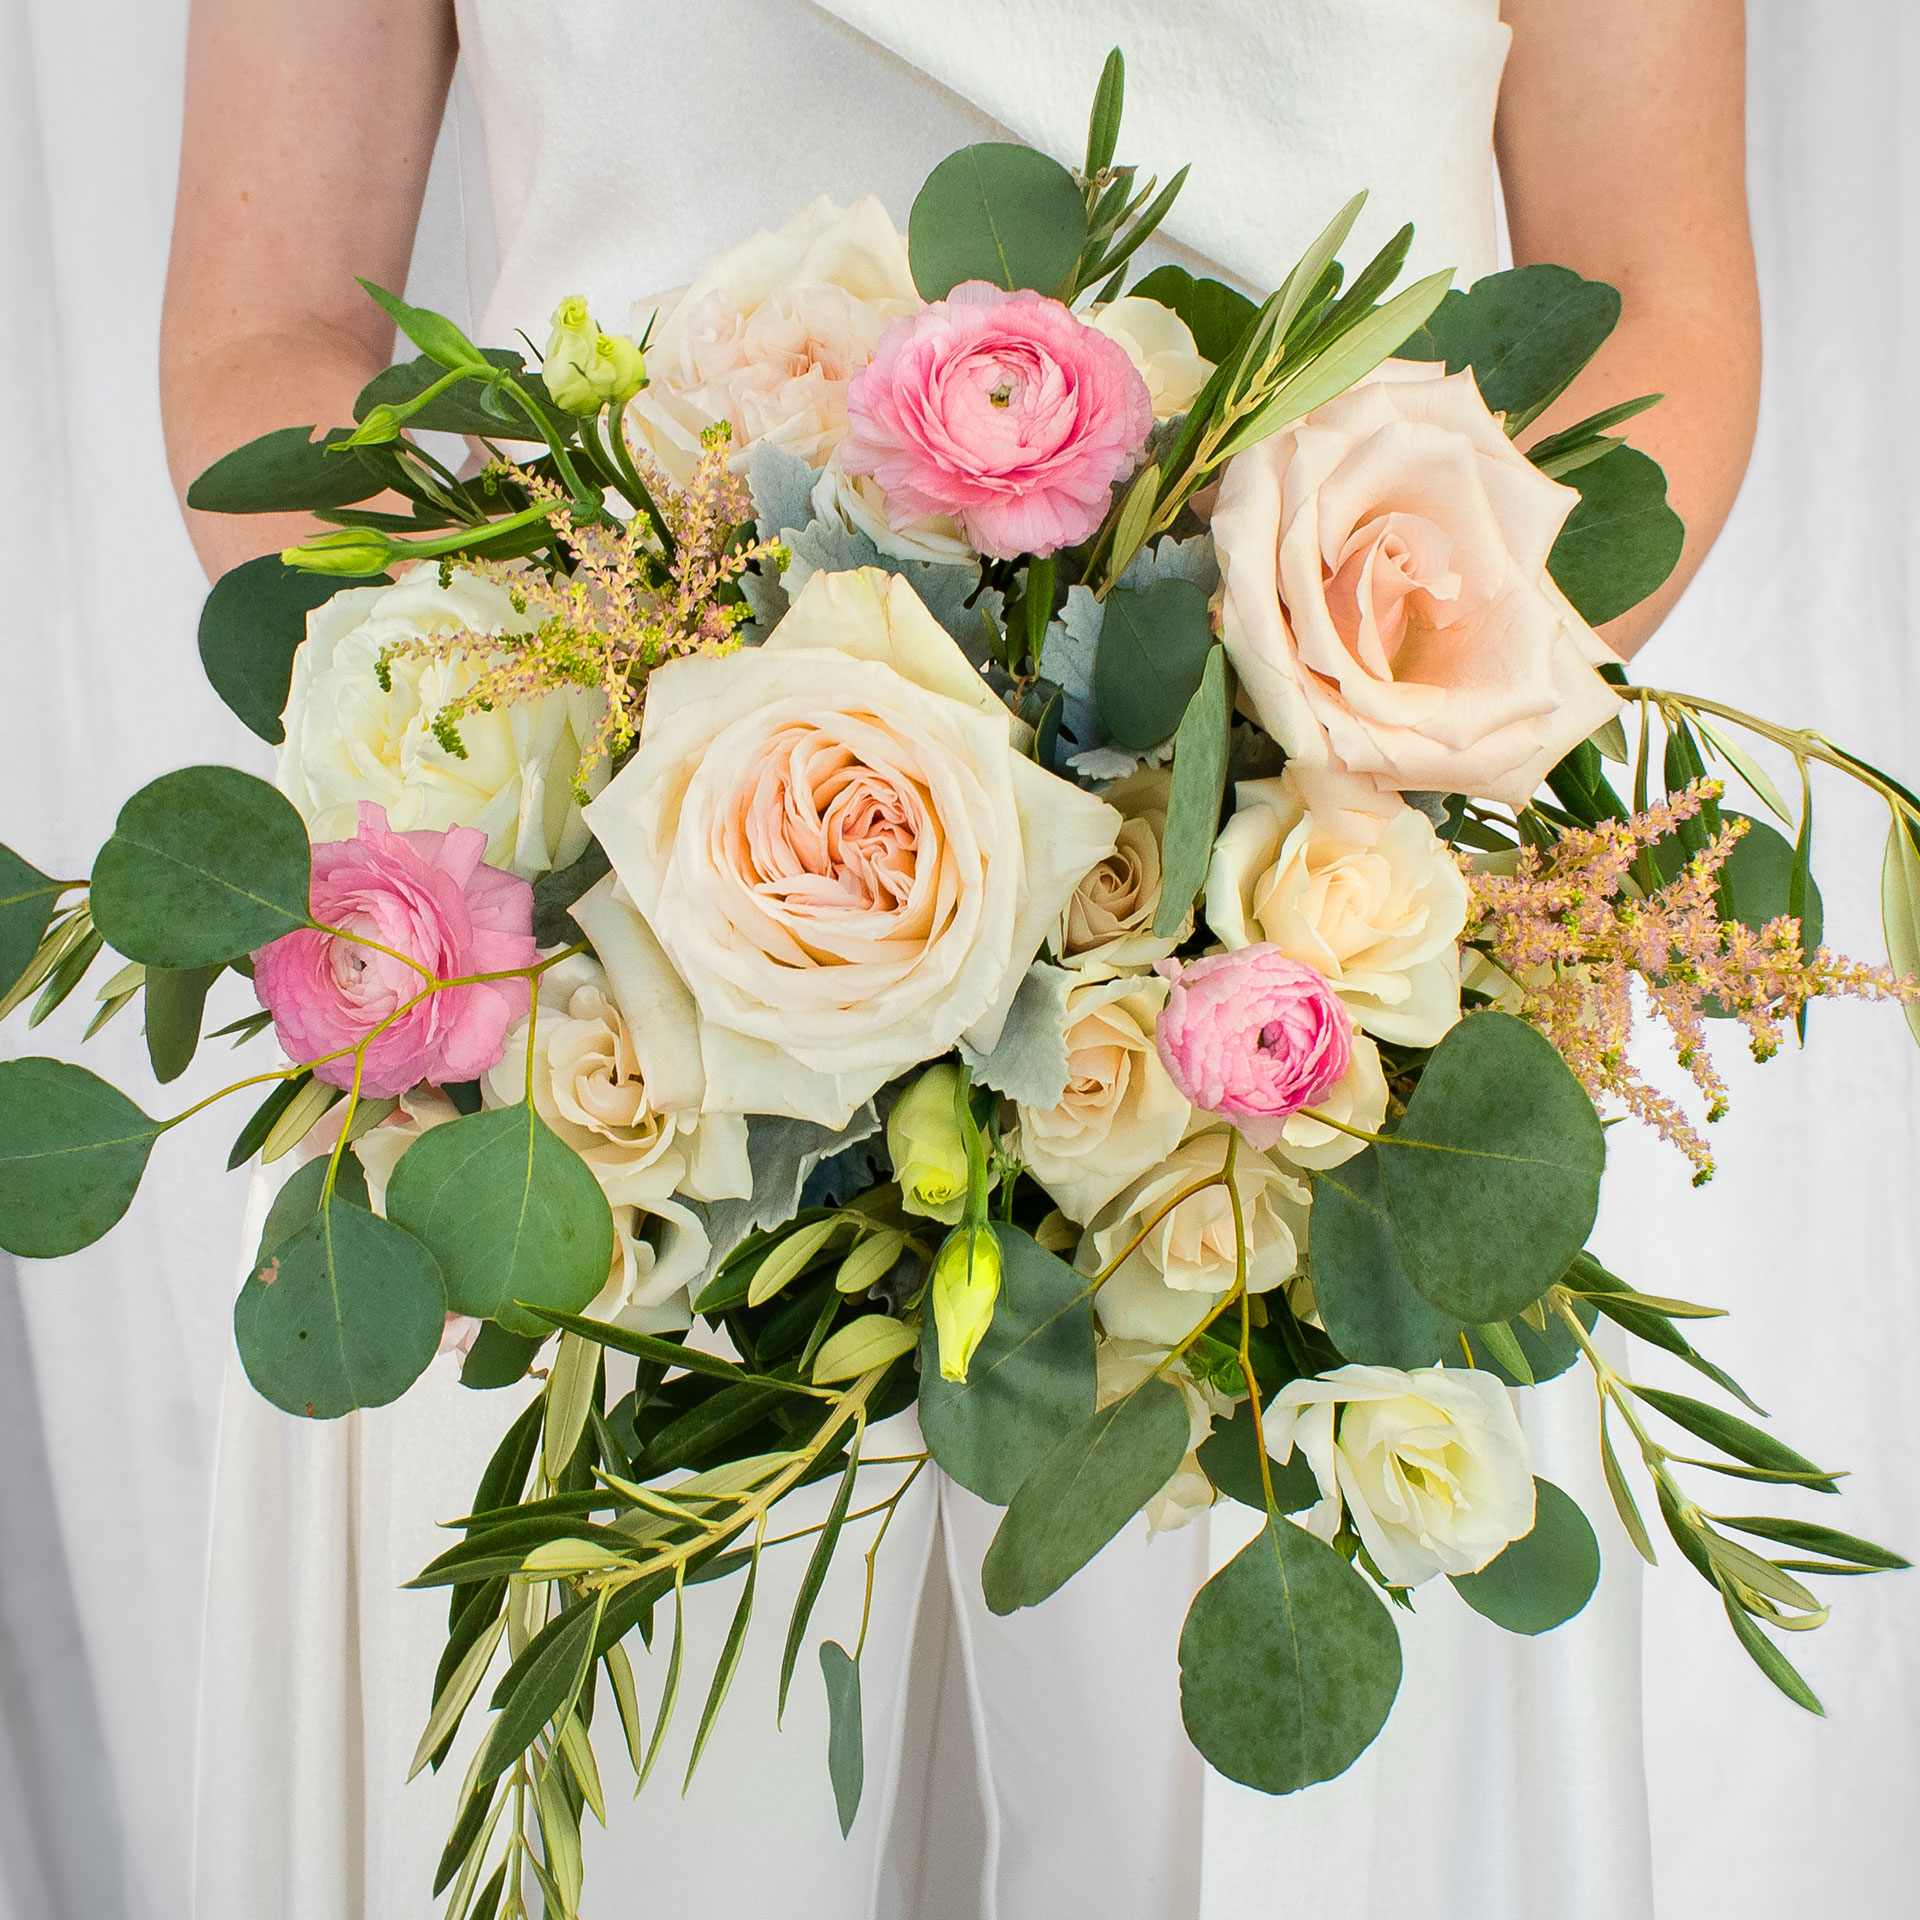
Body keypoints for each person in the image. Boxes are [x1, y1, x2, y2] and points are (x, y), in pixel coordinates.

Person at [159, 4, 1760, 1917]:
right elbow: (268, 340)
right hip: (590, 1000)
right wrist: (629, 780)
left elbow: (1651, 294)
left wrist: (1286, 768)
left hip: (1287, 1007)